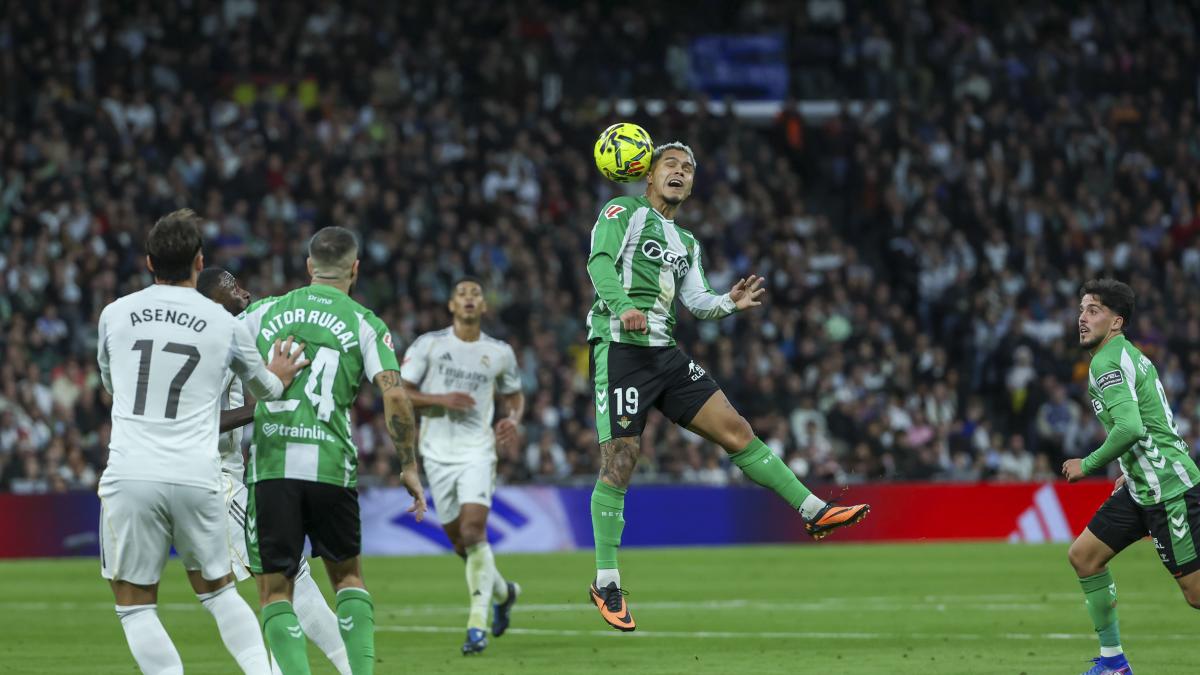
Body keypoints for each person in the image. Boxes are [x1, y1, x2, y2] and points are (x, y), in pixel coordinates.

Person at [583, 143, 870, 631]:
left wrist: (728, 303)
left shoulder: (687, 243)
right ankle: (606, 581)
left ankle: (814, 510)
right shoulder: (622, 211)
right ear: (648, 175)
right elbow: (599, 263)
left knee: (737, 430)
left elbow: (697, 302)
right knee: (621, 461)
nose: (680, 171)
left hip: (665, 353)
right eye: (670, 164)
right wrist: (623, 305)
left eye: (688, 168)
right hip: (621, 349)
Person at [97, 209, 308, 674]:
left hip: (132, 471)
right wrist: (278, 373)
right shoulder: (224, 323)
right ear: (199, 261)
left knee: (136, 608)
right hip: (198, 473)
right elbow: (267, 390)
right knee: (220, 594)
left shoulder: (114, 315)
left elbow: (112, 383)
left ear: (149, 262)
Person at [240, 226, 426, 675]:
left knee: (275, 592)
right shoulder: (365, 322)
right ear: (355, 268)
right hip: (331, 466)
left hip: (271, 467)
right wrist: (407, 464)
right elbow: (395, 395)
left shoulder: (263, 312)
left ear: (309, 266)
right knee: (348, 578)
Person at [197, 266, 353, 675]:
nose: (244, 291)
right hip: (212, 480)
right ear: (211, 298)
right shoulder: (207, 347)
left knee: (280, 579)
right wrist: (265, 403)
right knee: (284, 576)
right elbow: (198, 422)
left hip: (226, 475)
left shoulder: (229, 339)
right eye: (232, 286)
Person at [1063, 278, 1200, 675]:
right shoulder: (1129, 355)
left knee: (1196, 595)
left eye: (1093, 310)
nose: (1082, 318)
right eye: (1082, 309)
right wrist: (1131, 470)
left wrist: (1087, 464)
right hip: (1142, 487)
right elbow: (1156, 421)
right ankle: (1113, 664)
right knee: (1084, 557)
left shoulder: (1106, 363)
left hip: (1169, 491)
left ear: (1116, 321)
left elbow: (1131, 427)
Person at [400, 277, 524, 655]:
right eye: (462, 294)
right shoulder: (430, 345)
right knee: (460, 543)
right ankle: (504, 593)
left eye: (476, 294)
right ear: (451, 305)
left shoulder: (499, 352)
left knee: (473, 531)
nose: (469, 299)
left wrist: (512, 419)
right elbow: (399, 392)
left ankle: (476, 627)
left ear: (484, 306)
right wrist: (441, 400)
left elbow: (514, 395)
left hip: (477, 451)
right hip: (436, 453)